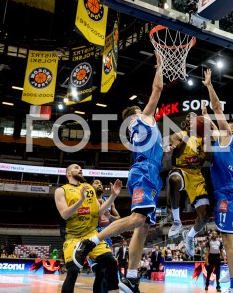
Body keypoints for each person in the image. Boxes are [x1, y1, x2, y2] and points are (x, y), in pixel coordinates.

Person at [72, 51, 164, 293]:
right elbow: (157, 89)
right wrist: (160, 66)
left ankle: (131, 278)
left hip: (144, 171)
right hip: (145, 172)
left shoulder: (137, 131)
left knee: (142, 226)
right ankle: (90, 241)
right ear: (136, 113)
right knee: (137, 220)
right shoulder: (143, 119)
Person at [200, 68, 233, 293]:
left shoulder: (229, 135)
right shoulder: (222, 139)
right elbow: (211, 121)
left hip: (228, 193)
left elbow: (218, 109)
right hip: (223, 192)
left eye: (228, 124)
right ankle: (232, 270)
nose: (224, 124)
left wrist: (209, 86)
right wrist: (205, 114)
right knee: (229, 240)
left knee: (229, 240)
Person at [54, 163, 122, 293]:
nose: (80, 169)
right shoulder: (61, 190)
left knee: (111, 262)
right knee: (73, 270)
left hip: (91, 235)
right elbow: (65, 214)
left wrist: (113, 195)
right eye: (76, 168)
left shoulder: (89, 189)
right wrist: (81, 200)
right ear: (68, 173)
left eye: (80, 168)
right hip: (72, 237)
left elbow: (99, 212)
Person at [166, 111, 211, 251]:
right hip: (181, 170)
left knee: (204, 218)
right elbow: (177, 154)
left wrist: (208, 137)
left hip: (196, 175)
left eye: (193, 118)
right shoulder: (178, 135)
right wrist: (189, 136)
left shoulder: (202, 138)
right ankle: (177, 221)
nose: (189, 120)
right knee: (173, 180)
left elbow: (209, 158)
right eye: (187, 118)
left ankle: (190, 236)